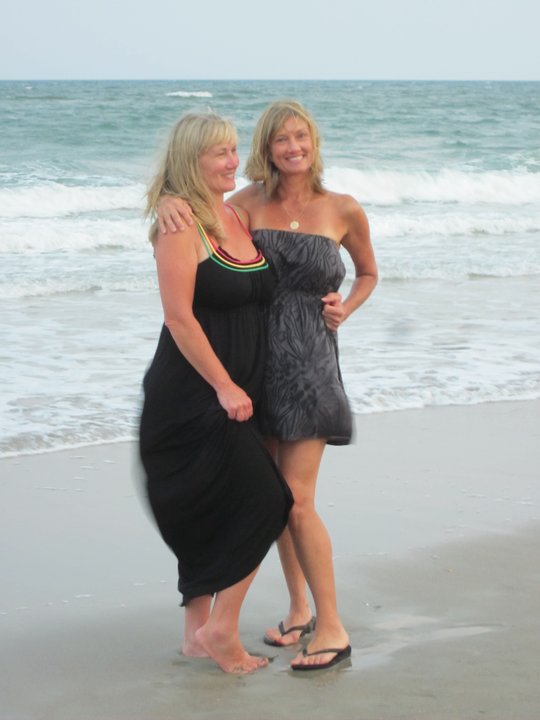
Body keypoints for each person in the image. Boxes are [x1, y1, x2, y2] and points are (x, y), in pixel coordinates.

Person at [156, 100, 378, 670]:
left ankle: (332, 626)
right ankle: (299, 609)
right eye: (281, 139)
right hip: (255, 367)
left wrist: (347, 307)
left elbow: (369, 272)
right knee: (271, 494)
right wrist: (166, 200)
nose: (292, 147)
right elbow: (198, 222)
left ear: (314, 142)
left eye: (301, 136)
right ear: (267, 148)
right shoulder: (244, 204)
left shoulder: (343, 208)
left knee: (295, 498)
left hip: (308, 364)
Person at [139, 112, 293, 675]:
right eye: (220, 153)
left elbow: (297, 205)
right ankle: (221, 629)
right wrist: (225, 385)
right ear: (192, 160)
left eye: (234, 150)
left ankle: (195, 637)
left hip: (239, 391)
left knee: (215, 505)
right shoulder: (181, 224)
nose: (234, 161)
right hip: (194, 392)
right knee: (268, 500)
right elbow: (179, 318)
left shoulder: (234, 211)